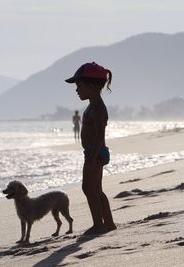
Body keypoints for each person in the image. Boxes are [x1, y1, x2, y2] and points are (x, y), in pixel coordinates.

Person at [65, 62, 116, 235]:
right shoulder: (93, 106)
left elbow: (100, 136)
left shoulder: (98, 108)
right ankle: (108, 223)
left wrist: (92, 157)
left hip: (95, 152)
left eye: (79, 85)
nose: (77, 89)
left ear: (92, 86)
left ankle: (98, 224)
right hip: (95, 152)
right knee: (96, 189)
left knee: (88, 189)